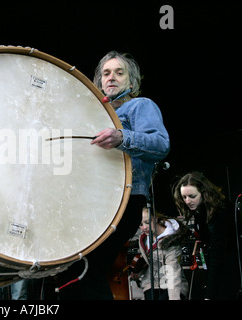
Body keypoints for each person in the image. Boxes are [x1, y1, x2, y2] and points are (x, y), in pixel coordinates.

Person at [56, 51, 170, 299]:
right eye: (106, 73)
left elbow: (161, 145)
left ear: (131, 82)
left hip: (124, 199)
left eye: (120, 73)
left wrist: (122, 137)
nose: (112, 78)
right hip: (90, 201)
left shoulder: (140, 105)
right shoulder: (91, 115)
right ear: (99, 82)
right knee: (68, 273)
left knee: (86, 270)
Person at [172, 172, 242, 300]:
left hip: (232, 267)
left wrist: (210, 294)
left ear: (204, 193)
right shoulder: (200, 211)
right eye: (184, 197)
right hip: (222, 267)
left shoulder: (219, 212)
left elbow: (218, 253)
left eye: (192, 196)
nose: (187, 201)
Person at [135, 207, 189, 300]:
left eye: (147, 222)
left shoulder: (172, 242)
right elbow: (147, 260)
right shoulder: (144, 239)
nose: (144, 227)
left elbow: (173, 275)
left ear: (156, 219)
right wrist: (138, 273)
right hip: (152, 282)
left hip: (171, 283)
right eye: (140, 224)